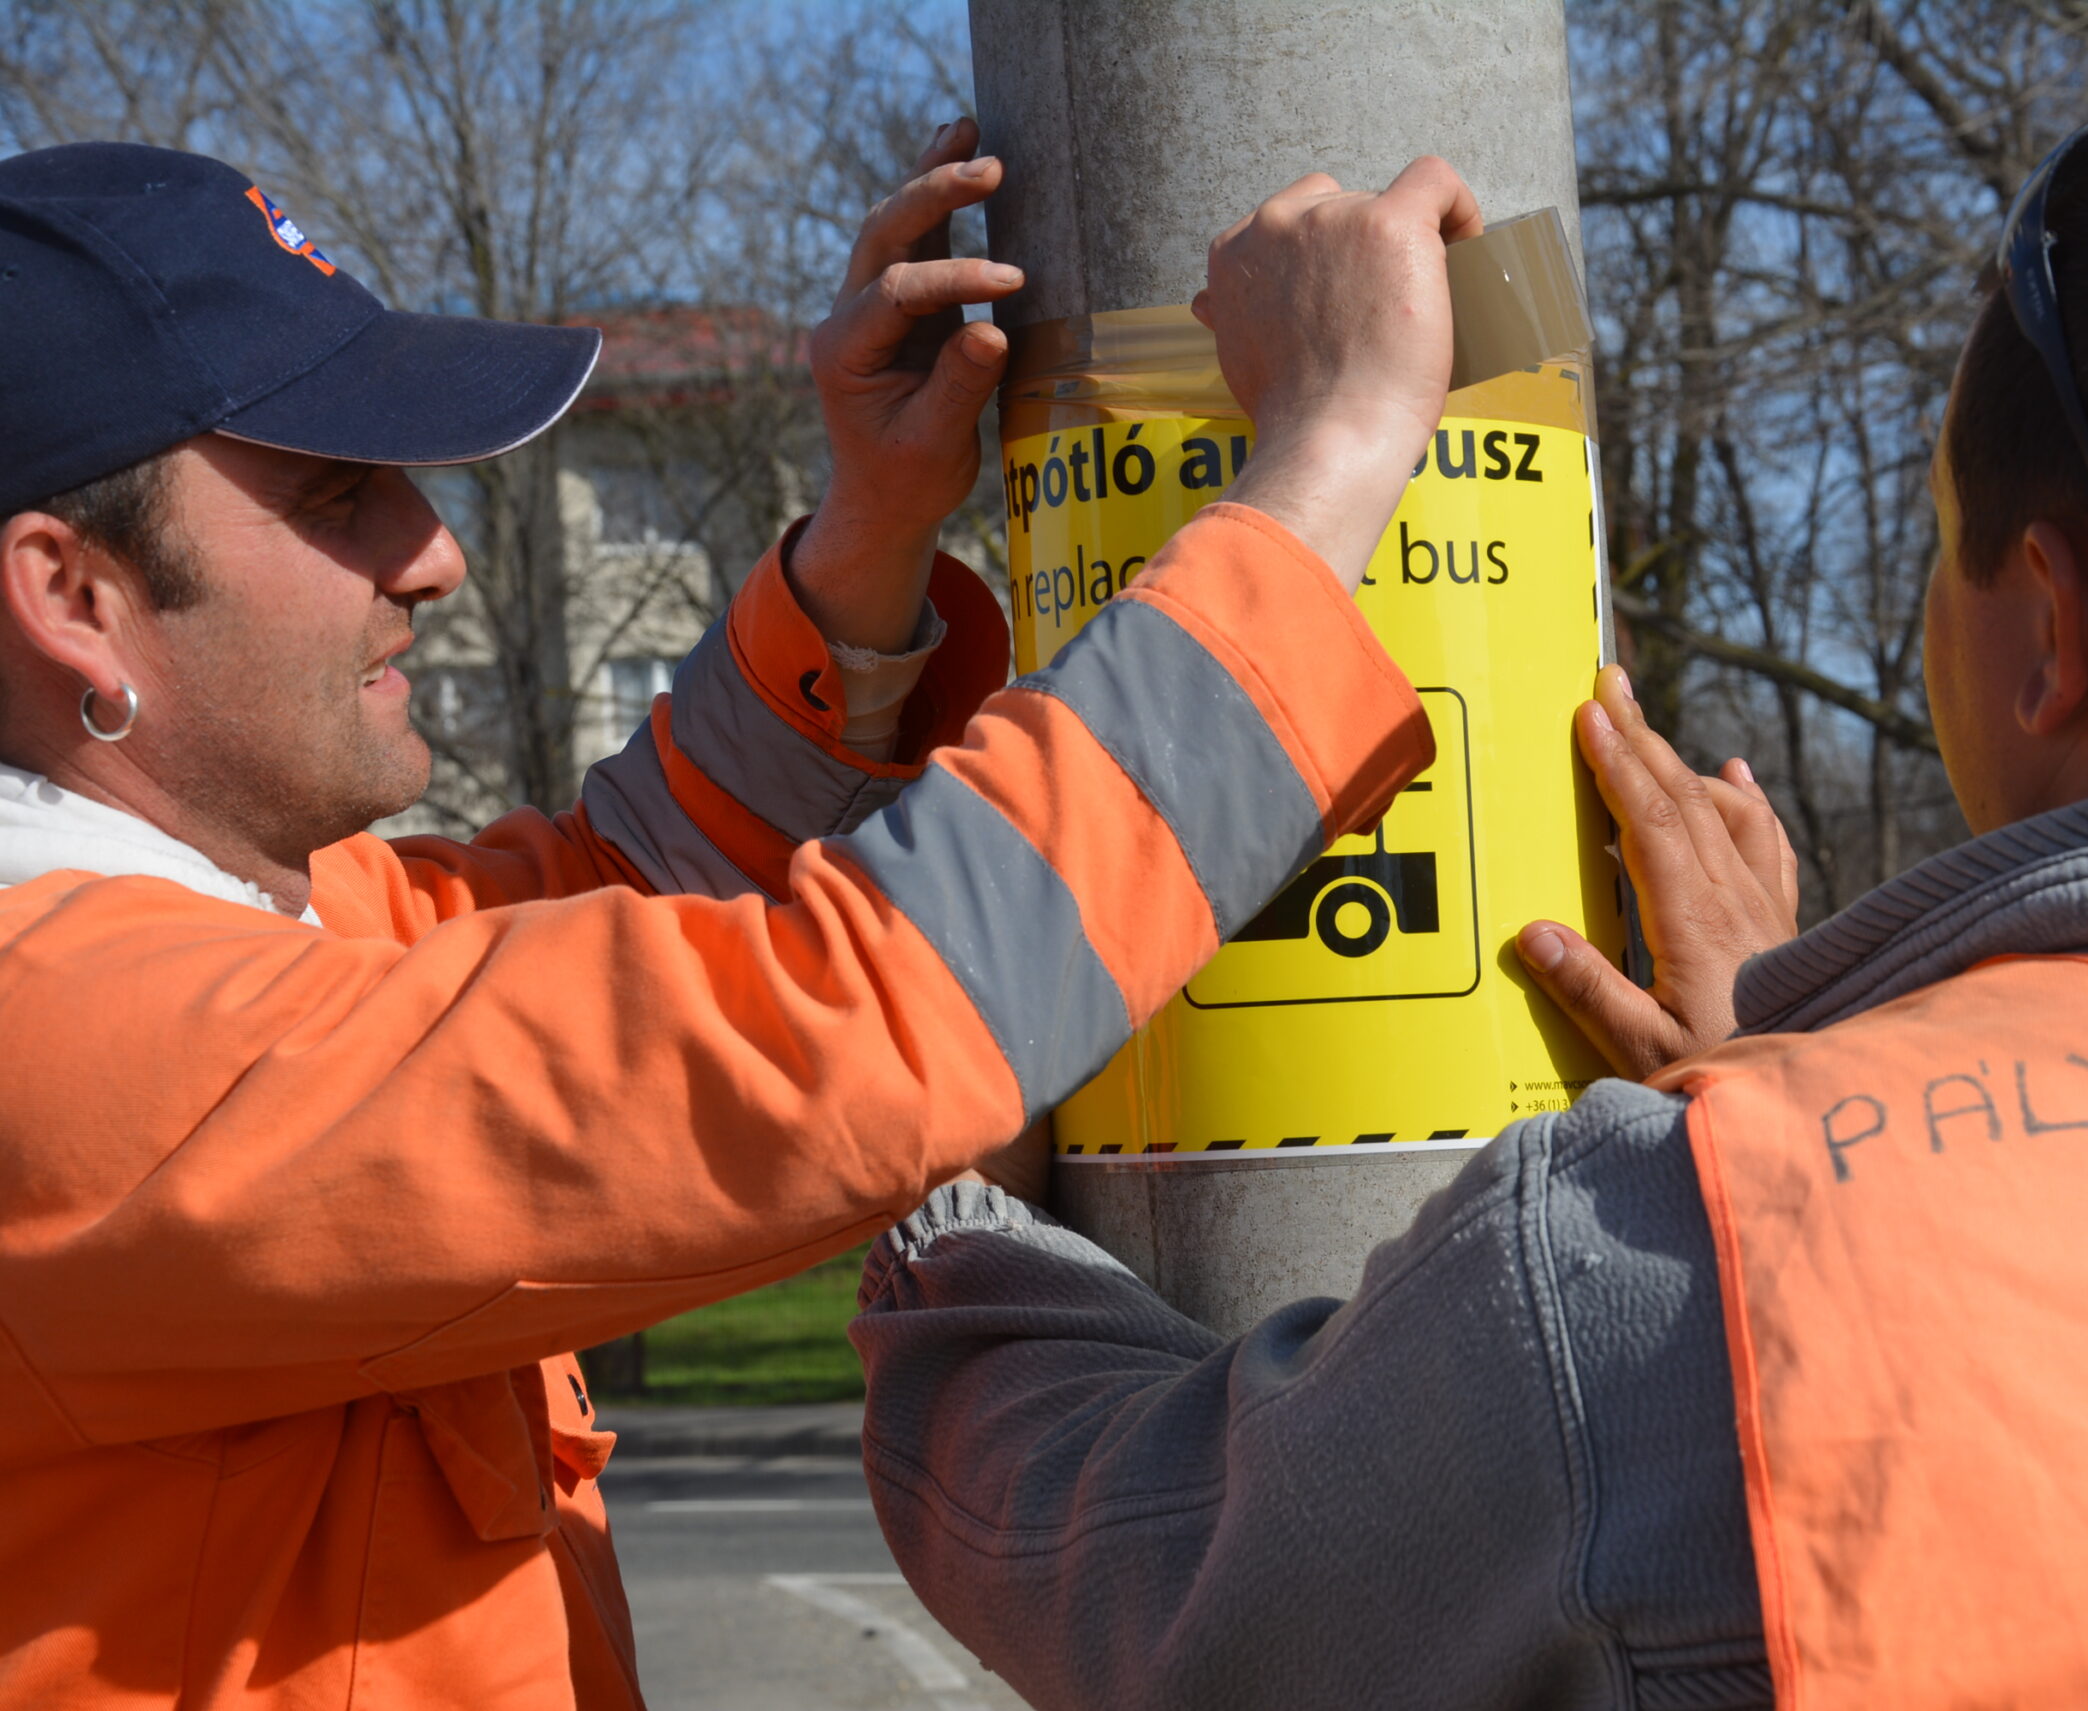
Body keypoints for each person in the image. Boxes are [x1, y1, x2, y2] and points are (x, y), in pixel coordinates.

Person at [850, 107, 2088, 1708]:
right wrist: (1801, 1058)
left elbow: (1154, 1578)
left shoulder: (1687, 1260)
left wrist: (959, 1218)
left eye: (1939, 536)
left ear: (2052, 624)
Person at [0, 129, 1485, 1708]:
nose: (430, 555)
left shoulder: (270, 932)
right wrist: (1336, 446)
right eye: (338, 495)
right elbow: (834, 1025)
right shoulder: (80, 1054)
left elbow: (629, 884)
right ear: (72, 596)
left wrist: (871, 532)